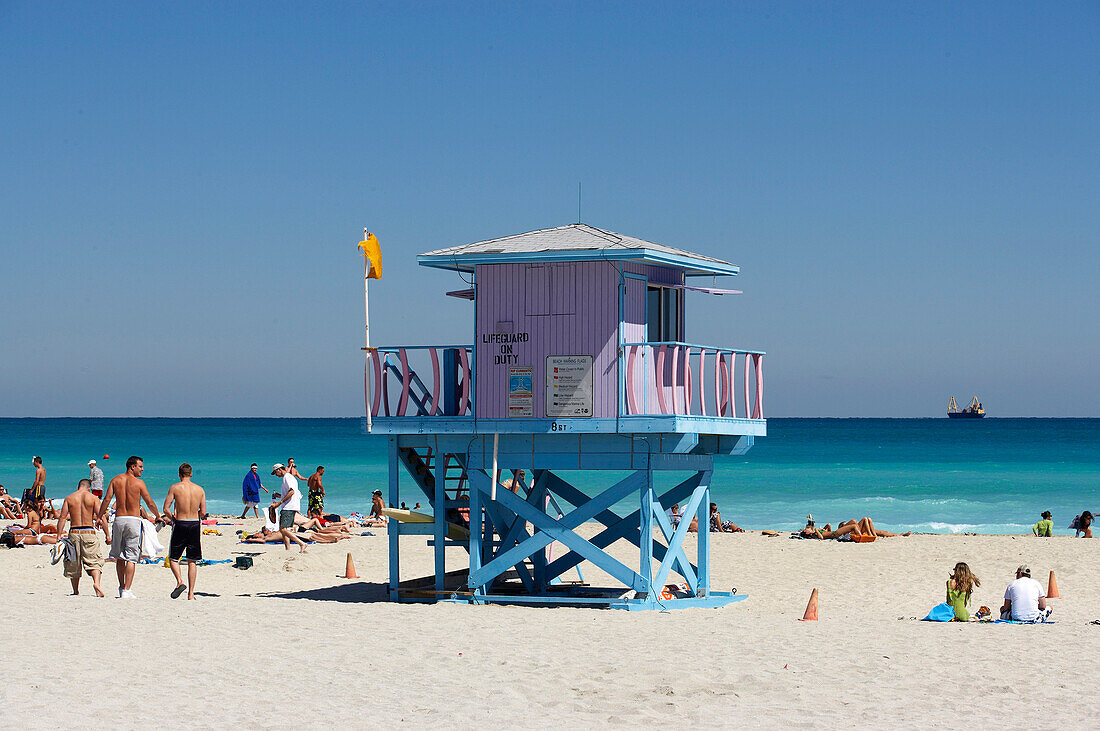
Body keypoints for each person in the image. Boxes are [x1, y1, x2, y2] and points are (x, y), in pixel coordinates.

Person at [97, 455, 163, 599]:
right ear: (132, 466)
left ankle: (121, 587)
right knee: (132, 556)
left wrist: (99, 516)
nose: (142, 469)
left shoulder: (115, 480)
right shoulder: (139, 483)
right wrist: (158, 515)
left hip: (119, 520)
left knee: (120, 556)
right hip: (133, 520)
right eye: (140, 466)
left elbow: (107, 500)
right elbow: (149, 502)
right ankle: (127, 590)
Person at [163, 463, 207, 600]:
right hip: (194, 524)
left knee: (174, 558)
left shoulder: (175, 488)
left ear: (179, 474)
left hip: (180, 523)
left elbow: (166, 509)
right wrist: (195, 514)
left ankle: (180, 581)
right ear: (191, 474)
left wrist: (173, 519)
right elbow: (203, 512)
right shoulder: (199, 490)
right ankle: (191, 594)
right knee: (192, 560)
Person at [55, 478, 106, 597]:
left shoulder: (69, 498)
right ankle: (96, 583)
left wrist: (58, 535)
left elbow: (62, 517)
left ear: (78, 486)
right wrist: (107, 535)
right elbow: (101, 516)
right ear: (89, 487)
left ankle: (75, 590)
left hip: (74, 531)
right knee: (94, 560)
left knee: (73, 561)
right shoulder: (93, 498)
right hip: (88, 531)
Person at [269, 463, 307, 552]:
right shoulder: (288, 477)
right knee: (284, 529)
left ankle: (302, 543)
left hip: (289, 506)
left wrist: (280, 502)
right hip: (290, 505)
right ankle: (287, 549)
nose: (276, 475)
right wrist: (279, 496)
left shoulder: (287, 477)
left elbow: (292, 492)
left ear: (279, 469)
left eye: (275, 473)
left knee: (282, 529)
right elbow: (289, 492)